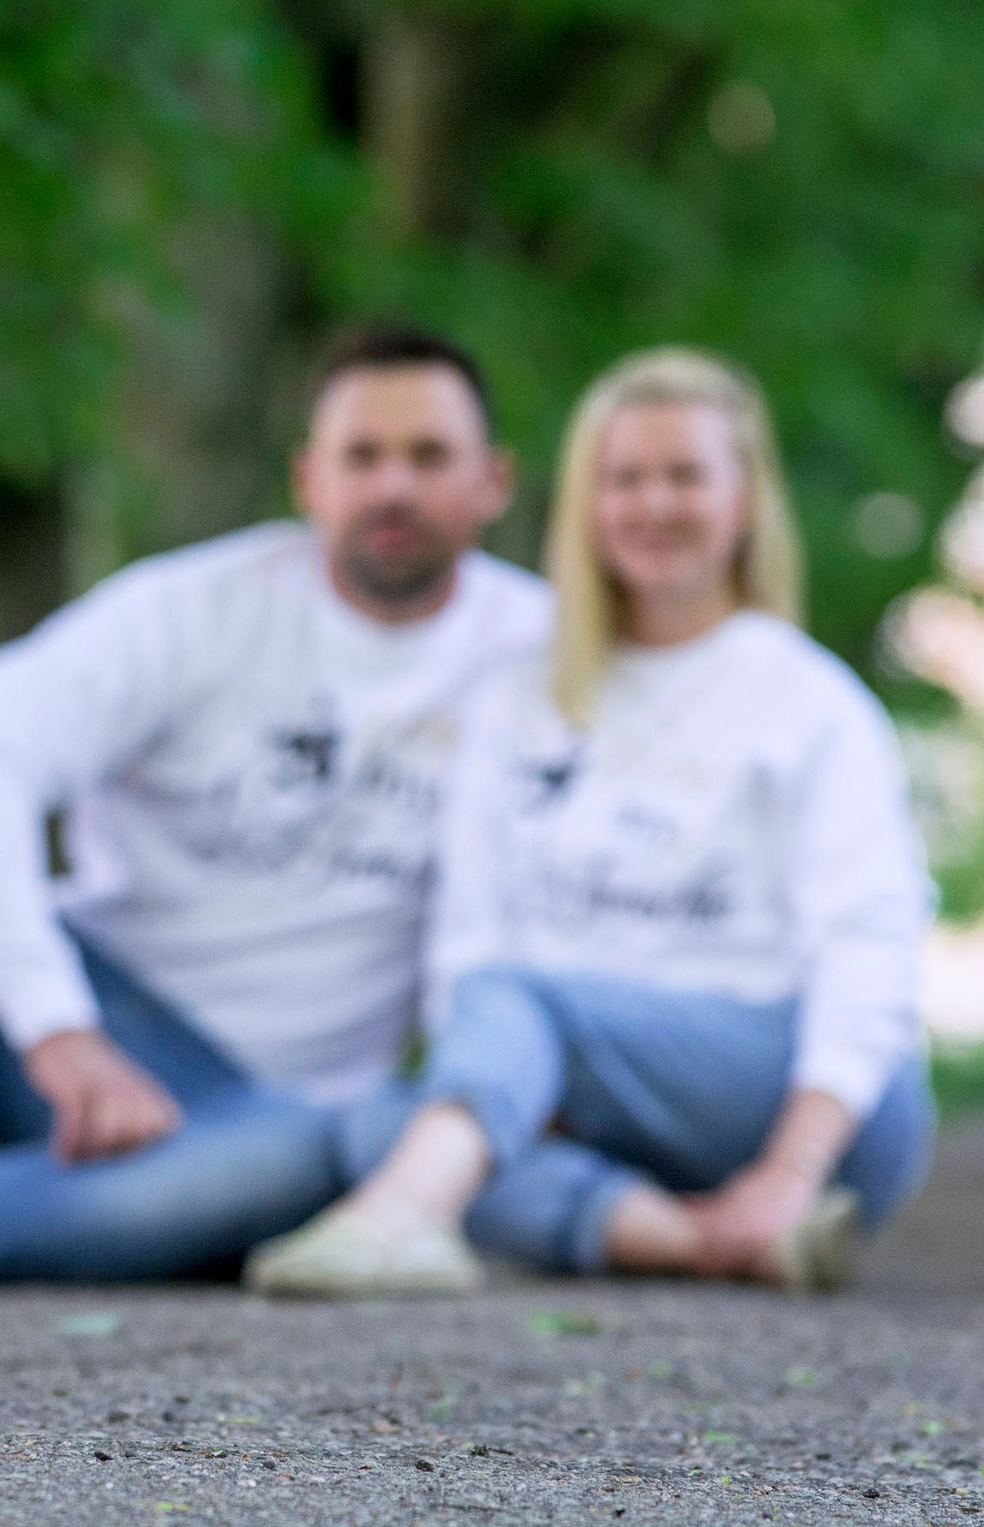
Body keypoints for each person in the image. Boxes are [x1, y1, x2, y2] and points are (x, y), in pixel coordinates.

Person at [0, 324, 551, 1283]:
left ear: (492, 482)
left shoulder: (542, 655)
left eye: (429, 456)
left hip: (271, 1117)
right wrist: (60, 1030)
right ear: (310, 479)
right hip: (72, 1035)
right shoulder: (194, 609)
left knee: (315, 1146)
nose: (394, 487)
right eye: (363, 456)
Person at [244, 346, 936, 1297]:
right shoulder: (519, 700)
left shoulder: (811, 704)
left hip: (807, 1100)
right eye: (625, 479)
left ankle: (403, 1215)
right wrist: (524, 1080)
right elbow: (467, 946)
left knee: (504, 1027)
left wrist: (790, 1168)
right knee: (376, 1123)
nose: (654, 504)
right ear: (586, 503)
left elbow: (870, 952)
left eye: (685, 474)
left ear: (744, 497)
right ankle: (699, 1241)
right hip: (608, 1112)